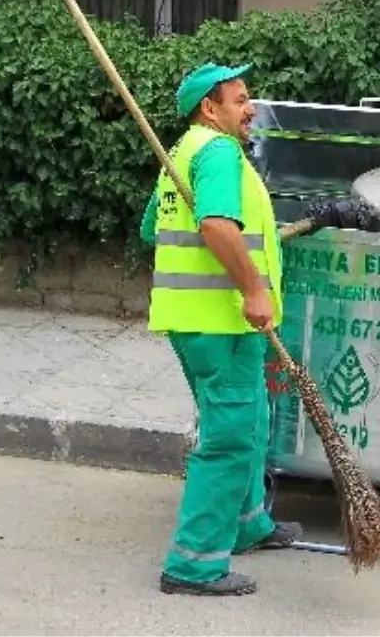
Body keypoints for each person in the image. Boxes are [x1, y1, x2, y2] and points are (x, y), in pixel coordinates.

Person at [141, 62, 349, 597]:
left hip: (207, 322)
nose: (250, 108)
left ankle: (248, 524)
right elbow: (212, 225)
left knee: (252, 418)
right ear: (210, 109)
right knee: (230, 437)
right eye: (240, 100)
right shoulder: (215, 153)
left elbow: (153, 228)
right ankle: (193, 565)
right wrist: (254, 288)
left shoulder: (182, 155)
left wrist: (255, 233)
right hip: (219, 322)